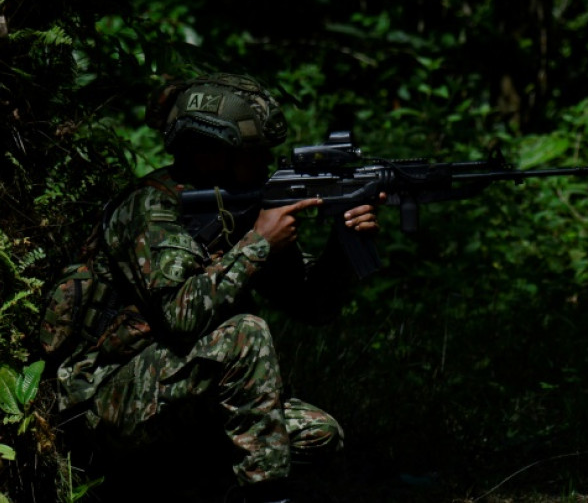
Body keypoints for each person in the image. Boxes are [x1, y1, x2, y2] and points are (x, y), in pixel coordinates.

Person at [53, 72, 382, 503]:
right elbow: (179, 316)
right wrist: (259, 245)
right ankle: (265, 497)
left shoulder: (238, 207)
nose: (266, 164)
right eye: (254, 153)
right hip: (110, 403)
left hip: (183, 396)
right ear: (211, 153)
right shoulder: (151, 209)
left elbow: (312, 306)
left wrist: (344, 243)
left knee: (317, 434)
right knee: (245, 334)